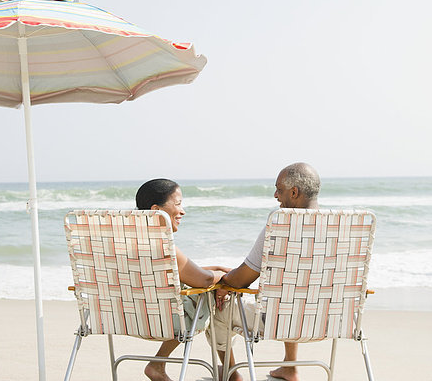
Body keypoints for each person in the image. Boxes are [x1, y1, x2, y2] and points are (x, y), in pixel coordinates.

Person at [211, 163, 321, 381]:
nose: (275, 195)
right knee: (296, 292)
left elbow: (243, 278)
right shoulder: (341, 228)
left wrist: (223, 281)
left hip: (279, 320)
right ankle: (290, 367)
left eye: (278, 189)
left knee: (216, 312)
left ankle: (231, 374)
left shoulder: (280, 225)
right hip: (330, 319)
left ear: (294, 192)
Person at [136, 178, 231, 381]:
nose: (182, 211)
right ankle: (231, 370)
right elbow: (204, 281)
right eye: (178, 204)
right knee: (207, 294)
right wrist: (224, 277)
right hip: (164, 321)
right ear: (156, 209)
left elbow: (173, 271)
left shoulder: (127, 240)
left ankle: (158, 363)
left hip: (125, 318)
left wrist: (214, 268)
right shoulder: (162, 244)